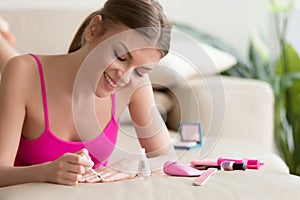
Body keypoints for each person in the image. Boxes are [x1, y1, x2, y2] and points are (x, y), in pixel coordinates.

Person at [0, 0, 176, 187]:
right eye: (121, 57)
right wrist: (46, 171)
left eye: (140, 71)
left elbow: (166, 158)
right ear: (93, 30)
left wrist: (132, 165)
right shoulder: (22, 71)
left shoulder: (135, 85)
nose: (125, 78)